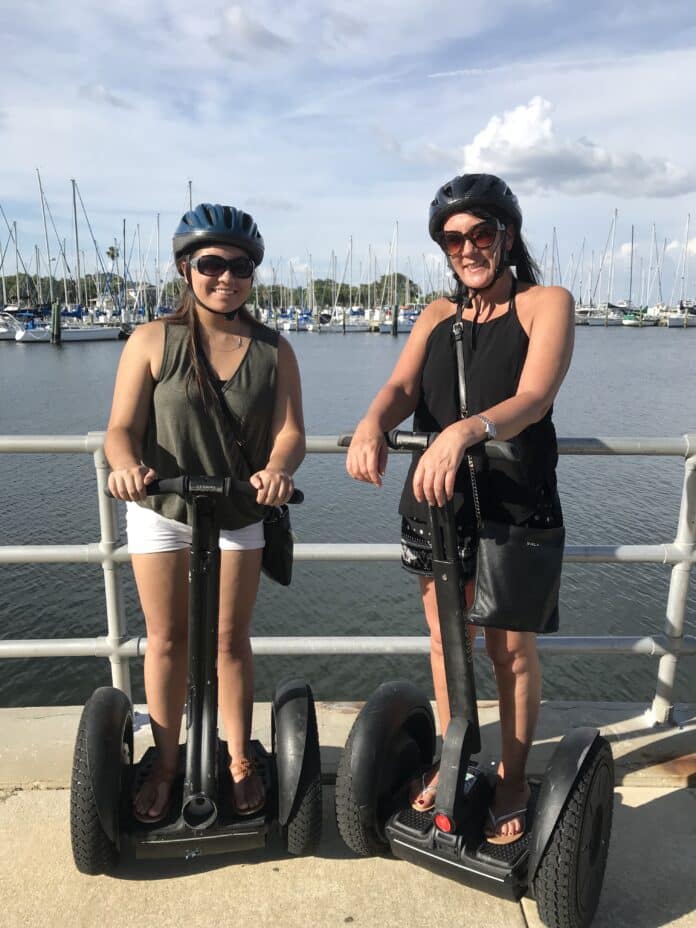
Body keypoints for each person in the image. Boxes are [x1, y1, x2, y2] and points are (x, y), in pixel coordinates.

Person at [346, 174, 574, 845]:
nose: (467, 248)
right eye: (454, 238)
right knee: (448, 645)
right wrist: (371, 422)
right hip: (438, 503)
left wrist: (464, 429)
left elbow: (534, 397)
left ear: (506, 236)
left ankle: (510, 778)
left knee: (510, 652)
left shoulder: (544, 304)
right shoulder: (435, 317)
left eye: (481, 233)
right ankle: (456, 760)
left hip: (513, 502)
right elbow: (400, 385)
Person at [104, 203, 305, 822]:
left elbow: (291, 432)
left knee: (230, 643)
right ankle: (166, 763)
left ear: (253, 273)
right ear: (186, 269)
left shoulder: (274, 349)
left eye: (240, 265)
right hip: (163, 509)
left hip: (239, 511)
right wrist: (124, 466)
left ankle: (240, 756)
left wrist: (278, 469)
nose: (226, 277)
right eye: (211, 263)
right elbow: (120, 429)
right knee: (164, 641)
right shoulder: (151, 340)